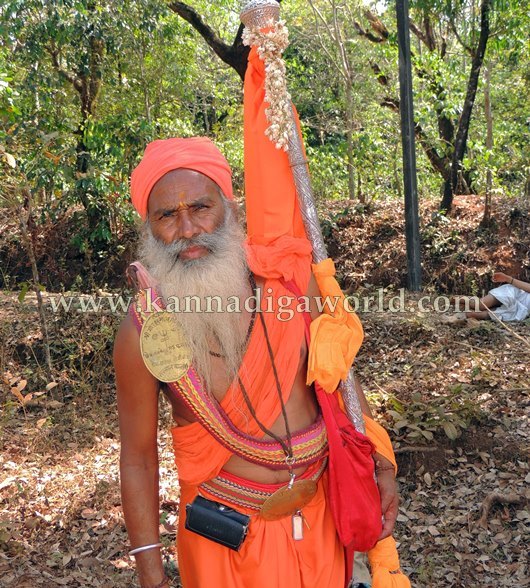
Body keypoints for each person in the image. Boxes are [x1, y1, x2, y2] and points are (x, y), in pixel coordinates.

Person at [114, 47, 407, 588]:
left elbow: (337, 371)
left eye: (200, 207)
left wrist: (379, 464)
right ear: (148, 229)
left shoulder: (287, 282)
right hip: (224, 543)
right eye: (167, 216)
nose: (187, 229)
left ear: (228, 207)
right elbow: (137, 461)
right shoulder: (142, 332)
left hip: (323, 522)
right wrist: (153, 578)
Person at [447, 272, 530, 323]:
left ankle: (459, 315)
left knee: (482, 314)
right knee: (481, 305)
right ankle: (456, 299)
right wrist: (508, 279)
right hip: (516, 294)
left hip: (520, 310)